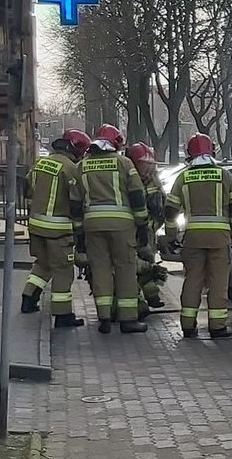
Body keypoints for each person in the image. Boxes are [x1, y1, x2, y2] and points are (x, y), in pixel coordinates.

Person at [75, 124, 152, 334]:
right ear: (116, 143)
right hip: (122, 226)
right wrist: (142, 226)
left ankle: (104, 317)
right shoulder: (124, 163)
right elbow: (137, 195)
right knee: (125, 269)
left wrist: (79, 235)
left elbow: (75, 202)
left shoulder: (82, 165)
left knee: (100, 270)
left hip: (92, 226)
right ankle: (128, 319)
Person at [165, 133, 232, 339]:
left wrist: (171, 236)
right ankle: (217, 326)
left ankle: (188, 325)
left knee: (193, 280)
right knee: (218, 282)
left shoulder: (183, 177)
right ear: (211, 151)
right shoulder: (224, 175)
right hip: (219, 239)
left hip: (193, 239)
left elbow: (171, 210)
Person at [20, 129, 91, 329]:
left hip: (35, 226)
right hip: (58, 230)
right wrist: (79, 230)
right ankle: (63, 315)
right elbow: (76, 201)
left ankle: (28, 299)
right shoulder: (70, 168)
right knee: (63, 271)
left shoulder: (39, 163)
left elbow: (27, 188)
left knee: (43, 264)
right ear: (76, 150)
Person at [126, 142, 167, 312]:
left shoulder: (152, 182)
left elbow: (160, 207)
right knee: (133, 267)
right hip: (131, 231)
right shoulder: (128, 180)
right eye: (144, 164)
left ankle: (152, 296)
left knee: (147, 264)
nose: (148, 168)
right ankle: (137, 302)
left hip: (148, 231)